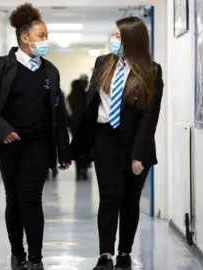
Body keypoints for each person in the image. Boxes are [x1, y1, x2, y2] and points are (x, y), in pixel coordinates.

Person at [0, 3, 71, 270]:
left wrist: (64, 151)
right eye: (42, 36)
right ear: (25, 38)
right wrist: (2, 130)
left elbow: (58, 112)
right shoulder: (0, 67)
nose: (45, 41)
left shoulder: (50, 71)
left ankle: (36, 258)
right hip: (10, 143)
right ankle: (17, 252)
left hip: (39, 143)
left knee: (32, 197)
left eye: (47, 35)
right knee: (13, 198)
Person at [68, 16, 164, 270]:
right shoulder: (103, 64)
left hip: (136, 142)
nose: (113, 40)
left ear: (133, 40)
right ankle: (105, 255)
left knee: (130, 201)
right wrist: (75, 147)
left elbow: (149, 117)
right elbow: (91, 106)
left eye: (118, 36)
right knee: (109, 197)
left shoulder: (152, 71)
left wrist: (138, 155)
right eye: (112, 35)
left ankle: (124, 252)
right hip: (105, 137)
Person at [67, 74, 91, 180]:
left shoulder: (71, 96)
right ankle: (84, 169)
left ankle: (78, 170)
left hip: (74, 124)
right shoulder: (85, 96)